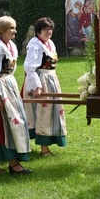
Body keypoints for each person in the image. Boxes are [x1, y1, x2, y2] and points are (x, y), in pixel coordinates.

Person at [0, 16, 31, 175]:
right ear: (2, 30)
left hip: (10, 87)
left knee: (13, 123)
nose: (14, 31)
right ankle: (11, 164)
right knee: (3, 126)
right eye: (11, 28)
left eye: (15, 28)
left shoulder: (10, 46)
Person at [23, 17, 66, 157]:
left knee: (52, 112)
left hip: (51, 79)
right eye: (46, 29)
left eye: (50, 29)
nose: (49, 32)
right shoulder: (35, 45)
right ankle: (44, 148)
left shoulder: (50, 43)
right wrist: (36, 86)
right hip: (41, 81)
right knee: (43, 112)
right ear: (38, 31)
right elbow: (30, 68)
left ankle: (46, 144)